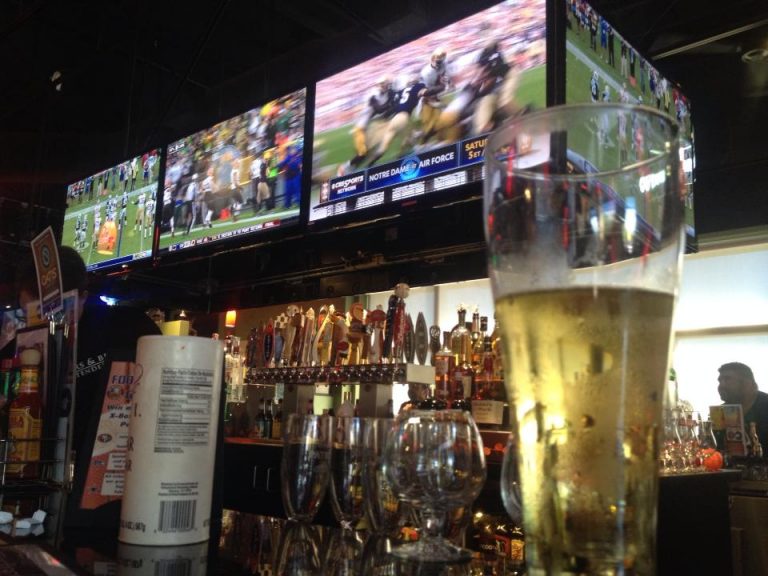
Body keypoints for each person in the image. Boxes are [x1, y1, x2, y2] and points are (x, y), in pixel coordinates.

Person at [16, 246, 161, 475]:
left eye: (50, 311)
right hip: (42, 475)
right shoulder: (21, 346)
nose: (41, 322)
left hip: (119, 471)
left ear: (83, 296)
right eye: (30, 315)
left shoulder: (129, 328)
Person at [718, 362, 768, 452]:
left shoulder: (765, 405)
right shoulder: (720, 411)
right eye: (720, 381)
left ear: (747, 384)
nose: (721, 386)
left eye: (727, 379)